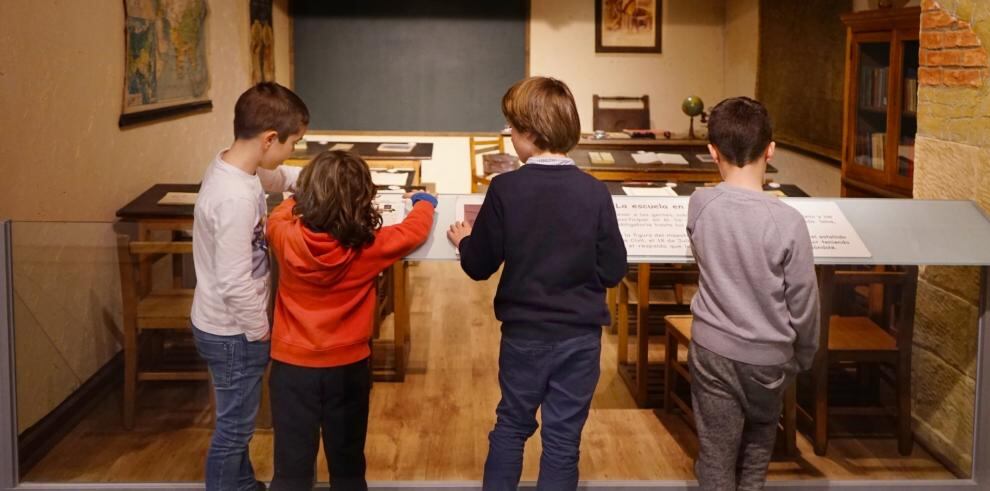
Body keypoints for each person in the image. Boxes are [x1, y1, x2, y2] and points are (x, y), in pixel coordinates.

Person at [447, 76, 627, 491]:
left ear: (529, 132)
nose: (509, 134)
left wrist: (465, 241)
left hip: (524, 335)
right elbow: (613, 269)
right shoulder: (594, 192)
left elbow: (480, 265)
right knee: (563, 441)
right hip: (580, 338)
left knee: (511, 426)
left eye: (511, 127)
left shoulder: (506, 188)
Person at [266, 150, 437, 491]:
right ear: (362, 198)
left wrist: (297, 199)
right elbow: (413, 231)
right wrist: (424, 202)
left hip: (291, 366)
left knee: (290, 468)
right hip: (347, 366)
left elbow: (278, 213)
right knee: (347, 466)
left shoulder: (283, 236)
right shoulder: (368, 247)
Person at [686, 96, 820, 490]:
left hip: (712, 350)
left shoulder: (700, 204)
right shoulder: (789, 221)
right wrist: (804, 353)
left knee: (715, 455)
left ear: (713, 152)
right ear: (770, 150)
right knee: (758, 450)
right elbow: (804, 300)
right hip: (769, 357)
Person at [191, 81, 309, 491]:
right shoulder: (234, 198)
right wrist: (260, 332)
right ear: (269, 139)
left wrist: (318, 177)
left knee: (236, 424)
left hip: (224, 325)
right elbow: (234, 281)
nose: (293, 151)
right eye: (293, 143)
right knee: (235, 432)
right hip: (235, 331)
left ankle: (242, 485)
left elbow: (276, 176)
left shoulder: (234, 165)